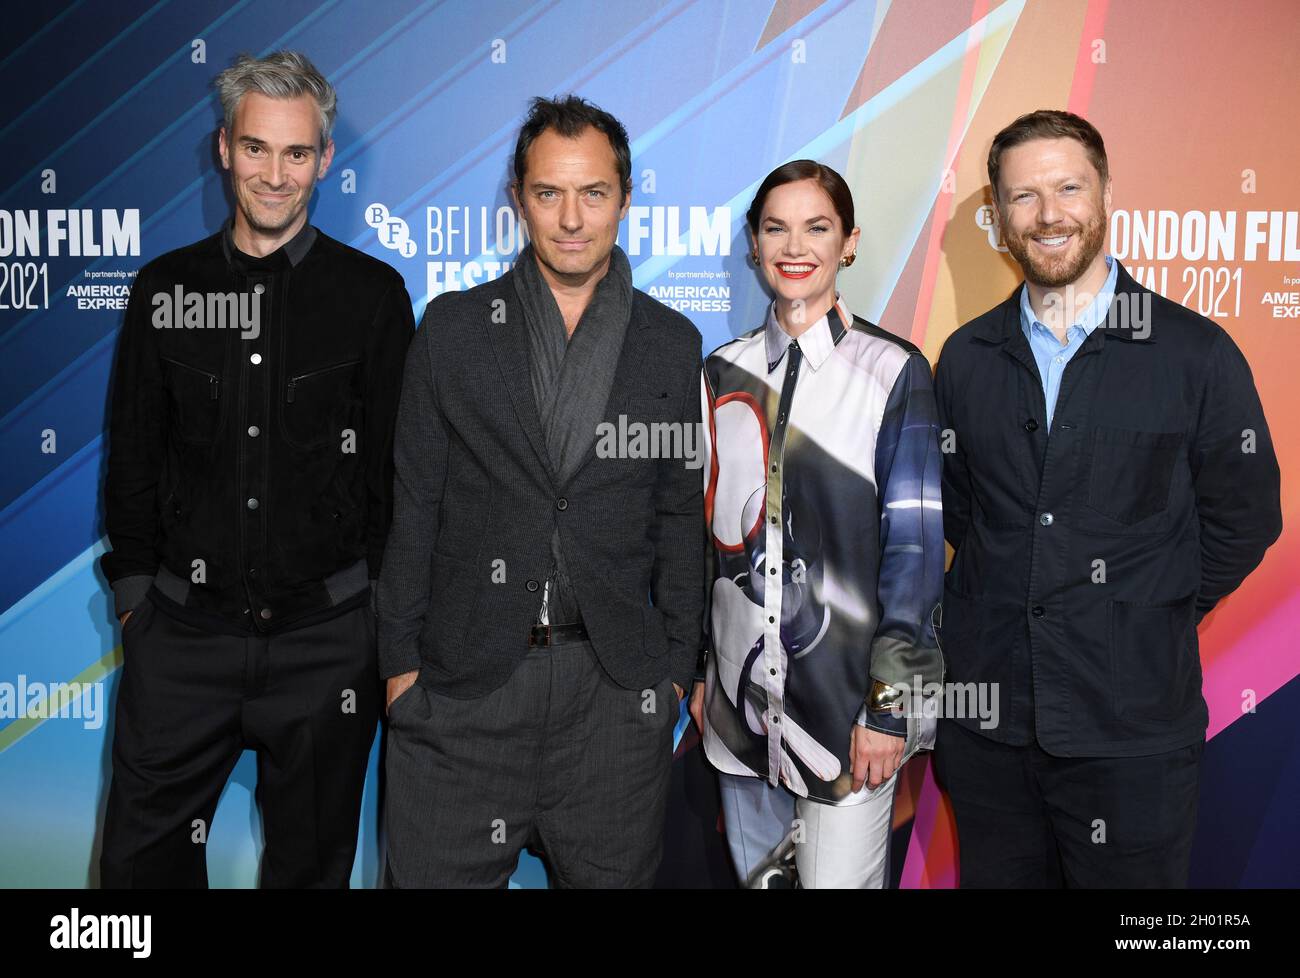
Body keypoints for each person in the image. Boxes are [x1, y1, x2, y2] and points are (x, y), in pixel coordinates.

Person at [932, 109, 1282, 888]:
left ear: (1107, 193)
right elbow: (963, 513)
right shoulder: (966, 357)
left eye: (1068, 188)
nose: (1049, 214)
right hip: (989, 734)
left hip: (1133, 744)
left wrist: (1156, 605)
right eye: (1024, 196)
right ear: (997, 215)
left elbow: (1246, 514)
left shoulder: (1194, 353)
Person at [99, 51, 414, 887]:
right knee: (139, 877)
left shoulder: (373, 297)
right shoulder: (165, 288)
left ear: (325, 160)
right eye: (256, 149)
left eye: (297, 153)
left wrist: (371, 627)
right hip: (181, 643)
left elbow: (395, 480)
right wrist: (136, 605)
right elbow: (132, 457)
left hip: (326, 650)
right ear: (223, 150)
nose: (275, 175)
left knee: (310, 873)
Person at [379, 95, 704, 888]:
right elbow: (413, 505)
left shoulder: (669, 342)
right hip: (461, 693)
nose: (571, 219)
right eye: (549, 193)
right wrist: (399, 674)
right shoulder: (453, 329)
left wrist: (675, 674)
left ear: (625, 199)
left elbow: (677, 521)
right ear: (518, 198)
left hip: (613, 696)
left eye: (593, 193)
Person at [689, 160, 944, 888]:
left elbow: (916, 559)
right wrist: (704, 672)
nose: (794, 246)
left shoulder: (894, 371)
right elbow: (706, 544)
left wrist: (891, 710)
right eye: (776, 228)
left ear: (849, 242)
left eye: (817, 227)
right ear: (754, 243)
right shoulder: (721, 373)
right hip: (739, 716)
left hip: (846, 717)